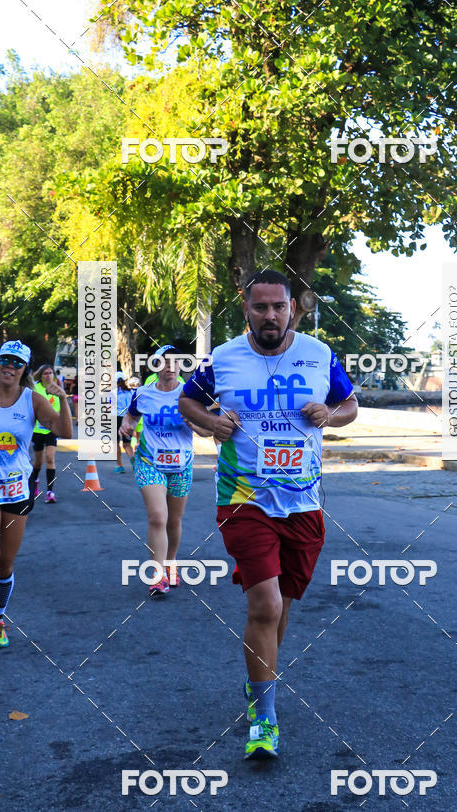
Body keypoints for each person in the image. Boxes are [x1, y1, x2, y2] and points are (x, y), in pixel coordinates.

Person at [179, 270, 358, 760]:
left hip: (304, 502)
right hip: (243, 499)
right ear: (246, 310)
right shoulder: (224, 358)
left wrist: (330, 415)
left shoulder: (320, 355)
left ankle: (260, 678)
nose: (271, 315)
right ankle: (264, 719)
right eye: (260, 307)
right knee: (266, 606)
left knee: (282, 604)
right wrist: (212, 422)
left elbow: (349, 406)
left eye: (279, 306)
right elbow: (187, 401)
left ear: (292, 309)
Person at [0, 340, 72, 659]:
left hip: (16, 487)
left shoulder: (32, 400)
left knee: (5, 563)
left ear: (24, 370)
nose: (9, 366)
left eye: (16, 363)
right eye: (4, 359)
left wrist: (62, 399)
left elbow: (65, 432)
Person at [119, 346, 210, 598]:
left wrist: (194, 423)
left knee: (173, 520)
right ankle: (157, 576)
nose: (169, 366)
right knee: (158, 517)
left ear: (180, 366)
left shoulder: (191, 394)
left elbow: (207, 431)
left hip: (181, 466)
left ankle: (170, 563)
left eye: (174, 362)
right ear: (155, 367)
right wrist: (126, 427)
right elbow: (130, 418)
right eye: (163, 362)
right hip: (149, 462)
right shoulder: (143, 393)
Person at [31, 363, 62, 503]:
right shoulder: (34, 388)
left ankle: (50, 492)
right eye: (45, 373)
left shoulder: (56, 389)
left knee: (50, 458)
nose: (49, 376)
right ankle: (35, 481)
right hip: (37, 430)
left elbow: (59, 409)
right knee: (38, 462)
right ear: (41, 376)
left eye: (51, 373)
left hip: (51, 429)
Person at [115, 372, 134, 473]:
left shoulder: (113, 392)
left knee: (116, 443)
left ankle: (119, 466)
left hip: (115, 418)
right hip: (127, 418)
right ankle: (133, 461)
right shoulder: (130, 392)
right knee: (127, 444)